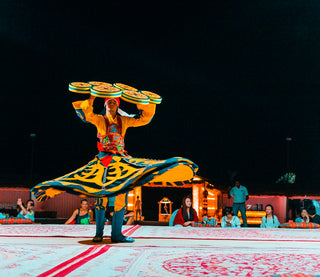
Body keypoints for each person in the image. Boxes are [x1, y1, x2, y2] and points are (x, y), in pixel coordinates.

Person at [31, 93, 198, 243]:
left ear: (118, 105)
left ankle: (117, 234)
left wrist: (144, 103)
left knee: (120, 197)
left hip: (120, 162)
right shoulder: (99, 119)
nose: (111, 104)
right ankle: (98, 234)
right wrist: (91, 97)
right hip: (102, 161)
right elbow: (85, 114)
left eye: (114, 102)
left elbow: (143, 119)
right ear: (105, 104)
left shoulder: (123, 121)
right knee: (100, 196)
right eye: (109, 102)